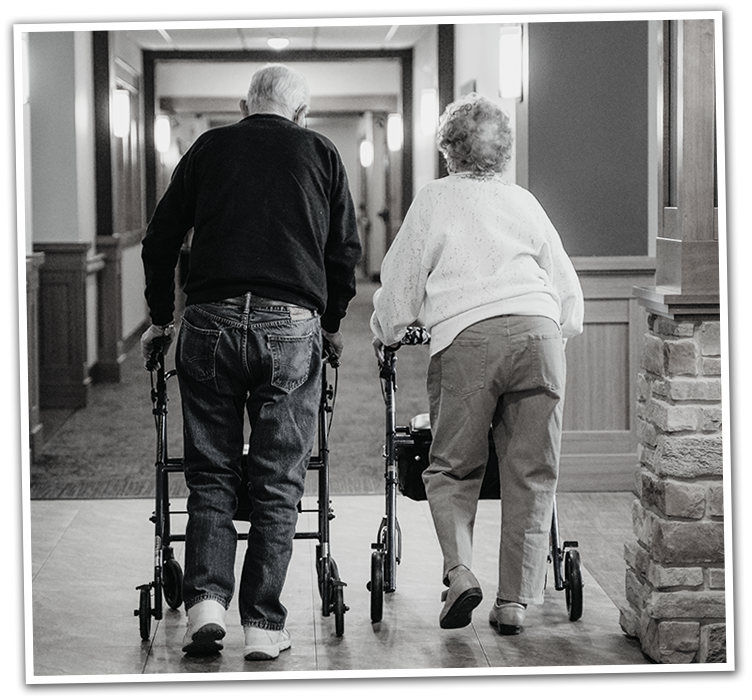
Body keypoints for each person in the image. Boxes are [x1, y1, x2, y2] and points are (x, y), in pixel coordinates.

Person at [140, 63, 362, 660]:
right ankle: (263, 625)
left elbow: (159, 239)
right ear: (301, 113)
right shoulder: (321, 151)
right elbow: (344, 251)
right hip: (290, 325)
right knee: (278, 478)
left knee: (210, 470)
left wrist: (162, 317)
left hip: (209, 320)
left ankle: (205, 605)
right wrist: (333, 323)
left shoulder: (209, 147)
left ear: (245, 106)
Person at [370, 93, 584, 635]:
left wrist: (389, 332)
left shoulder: (436, 200)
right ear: (504, 152)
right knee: (532, 473)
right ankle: (513, 602)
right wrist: (554, 330)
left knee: (453, 466)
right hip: (541, 335)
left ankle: (461, 572)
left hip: (468, 339)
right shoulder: (524, 201)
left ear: (448, 150)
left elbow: (399, 284)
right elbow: (567, 294)